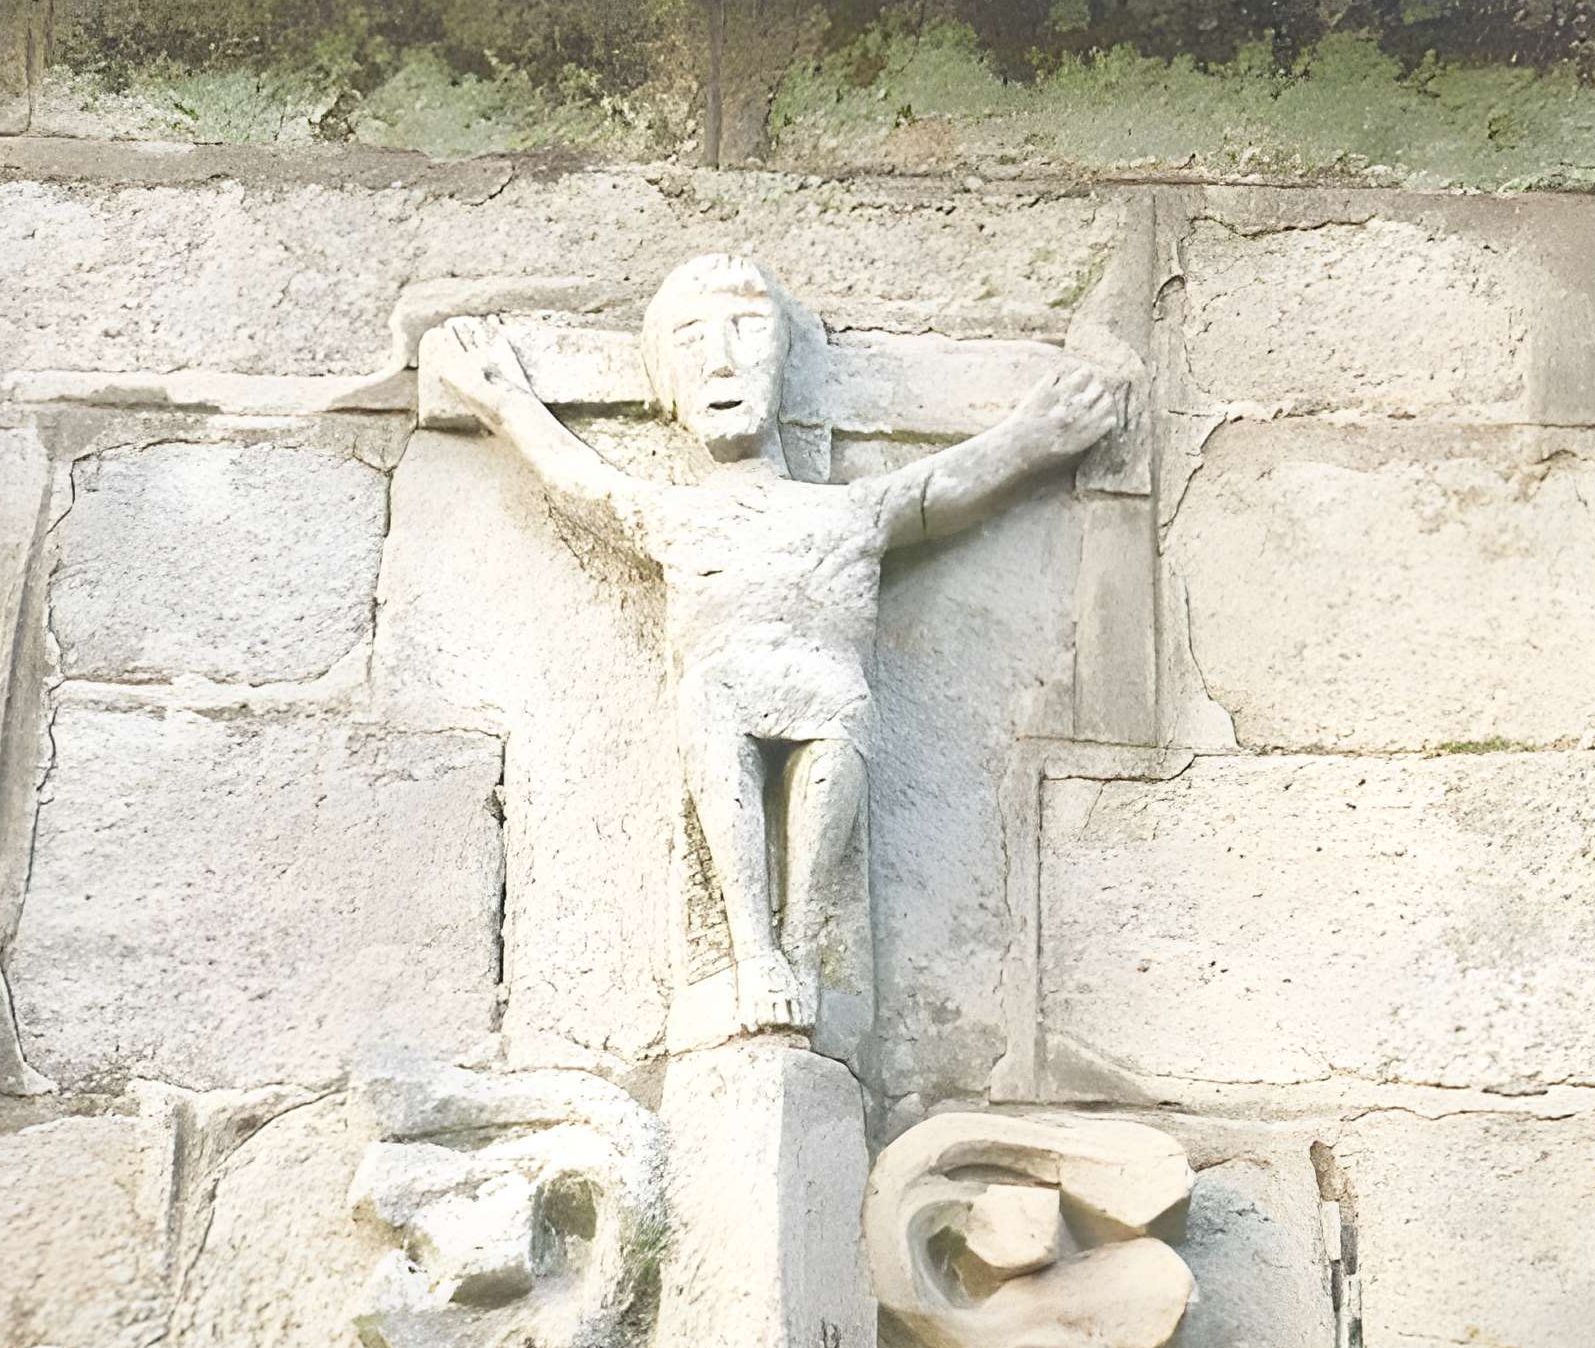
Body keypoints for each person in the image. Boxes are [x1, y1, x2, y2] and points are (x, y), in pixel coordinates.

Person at [436, 255, 1126, 1034]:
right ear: (664, 388)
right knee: (714, 694)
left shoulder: (844, 515)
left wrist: (1030, 438)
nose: (722, 358)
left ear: (786, 367)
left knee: (836, 695)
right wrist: (506, 399)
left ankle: (803, 941)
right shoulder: (677, 516)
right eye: (691, 340)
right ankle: (753, 949)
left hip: (825, 686)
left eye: (749, 330)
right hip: (722, 692)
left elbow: (938, 489)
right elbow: (580, 481)